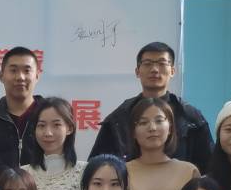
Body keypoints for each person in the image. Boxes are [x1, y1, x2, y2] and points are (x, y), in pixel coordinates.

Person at [91, 41, 213, 170]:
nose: (154, 69)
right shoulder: (119, 117)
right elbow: (97, 168)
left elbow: (210, 168)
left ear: (172, 71)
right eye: (147, 64)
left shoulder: (190, 117)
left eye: (162, 63)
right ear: (137, 71)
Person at [124, 96, 201, 190]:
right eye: (143, 122)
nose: (152, 128)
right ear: (133, 132)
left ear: (170, 128)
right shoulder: (122, 171)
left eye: (159, 121)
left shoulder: (188, 172)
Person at [22, 96, 86, 190]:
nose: (48, 133)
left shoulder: (84, 171)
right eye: (41, 125)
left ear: (69, 128)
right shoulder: (23, 173)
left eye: (56, 125)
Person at [0, 46, 43, 167]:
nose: (20, 77)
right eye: (13, 70)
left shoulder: (50, 118)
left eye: (27, 71)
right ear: (1, 76)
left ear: (37, 76)